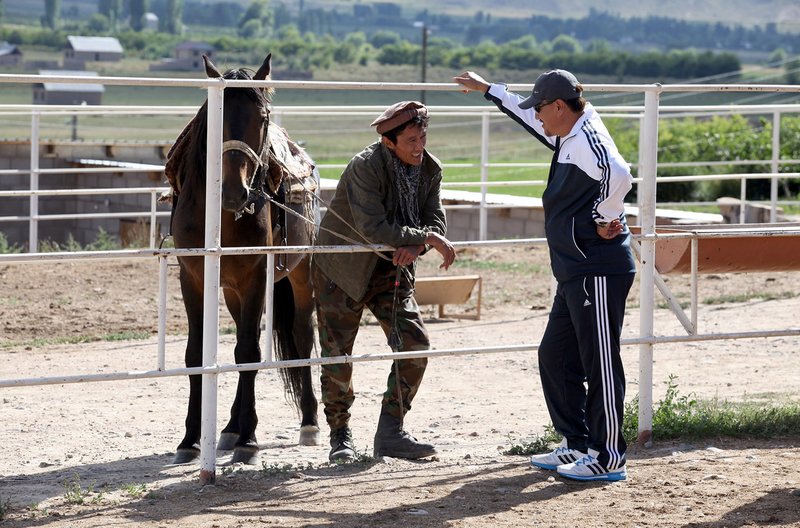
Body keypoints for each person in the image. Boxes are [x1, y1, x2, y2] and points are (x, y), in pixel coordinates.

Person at [453, 69, 636, 482]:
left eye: (540, 108)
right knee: (554, 355)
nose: (536, 115)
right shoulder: (566, 131)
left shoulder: (588, 140)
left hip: (597, 267)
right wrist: (490, 91)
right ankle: (577, 443)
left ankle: (608, 456)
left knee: (600, 362)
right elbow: (527, 118)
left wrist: (604, 216)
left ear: (558, 106)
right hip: (574, 268)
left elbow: (620, 174)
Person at [311, 101, 457, 463]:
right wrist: (424, 237)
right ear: (389, 142)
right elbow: (372, 227)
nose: (419, 147)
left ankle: (391, 432)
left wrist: (419, 243)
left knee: (415, 344)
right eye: (410, 140)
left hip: (392, 270)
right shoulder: (365, 166)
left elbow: (435, 220)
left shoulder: (430, 169)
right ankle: (339, 436)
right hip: (342, 269)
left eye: (422, 137)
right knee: (338, 355)